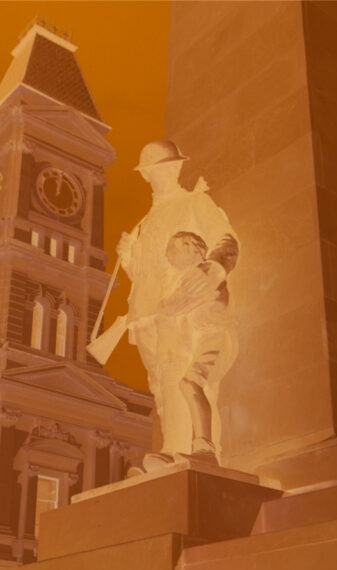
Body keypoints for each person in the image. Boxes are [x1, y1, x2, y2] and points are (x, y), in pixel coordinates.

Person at [116, 140, 239, 469]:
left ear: (178, 168)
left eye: (168, 167)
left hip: (187, 305)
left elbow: (225, 238)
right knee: (162, 383)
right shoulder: (145, 221)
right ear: (146, 176)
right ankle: (174, 448)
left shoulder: (194, 202)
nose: (162, 174)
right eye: (154, 171)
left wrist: (215, 266)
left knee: (187, 374)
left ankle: (196, 449)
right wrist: (128, 258)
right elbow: (143, 272)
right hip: (150, 314)